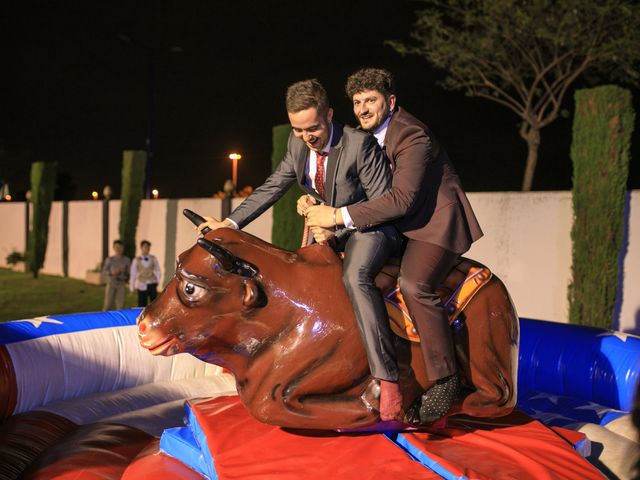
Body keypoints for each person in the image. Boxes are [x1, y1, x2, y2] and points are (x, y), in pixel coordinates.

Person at [197, 78, 404, 420]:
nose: (307, 137)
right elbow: (272, 187)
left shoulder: (360, 145)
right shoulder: (297, 147)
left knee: (356, 277)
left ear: (330, 115)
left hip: (373, 229)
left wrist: (336, 222)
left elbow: (383, 204)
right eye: (298, 130)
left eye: (314, 129)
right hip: (330, 228)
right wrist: (229, 224)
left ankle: (388, 379)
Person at [303, 68, 483, 425]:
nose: (363, 109)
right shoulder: (361, 137)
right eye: (357, 102)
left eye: (371, 100)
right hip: (395, 227)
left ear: (391, 102)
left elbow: (400, 199)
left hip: (431, 227)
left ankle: (445, 380)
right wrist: (312, 203)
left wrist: (337, 216)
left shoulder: (413, 135)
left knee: (414, 285)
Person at [129, 240, 161, 307]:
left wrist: (157, 281)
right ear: (141, 247)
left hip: (152, 283)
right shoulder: (136, 260)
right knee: (141, 303)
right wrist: (132, 287)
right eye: (145, 247)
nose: (147, 249)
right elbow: (133, 274)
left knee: (154, 303)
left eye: (148, 247)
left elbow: (157, 270)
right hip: (142, 284)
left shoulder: (153, 258)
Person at [102, 239, 131, 311]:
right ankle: (104, 320)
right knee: (107, 304)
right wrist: (112, 273)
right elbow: (104, 271)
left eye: (120, 247)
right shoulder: (110, 259)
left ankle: (120, 321)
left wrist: (125, 272)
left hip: (121, 284)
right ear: (113, 248)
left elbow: (129, 272)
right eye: (117, 247)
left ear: (123, 248)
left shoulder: (126, 260)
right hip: (111, 283)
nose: (118, 249)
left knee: (121, 305)